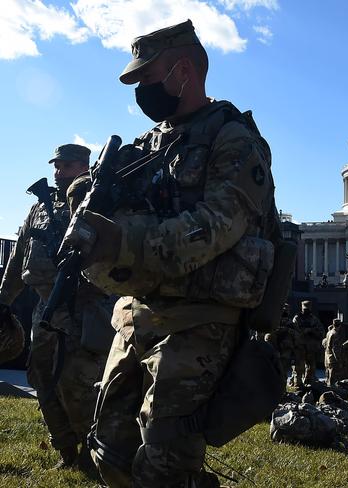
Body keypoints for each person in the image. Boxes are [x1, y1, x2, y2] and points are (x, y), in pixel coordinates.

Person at [63, 20, 279, 487]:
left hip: (199, 319)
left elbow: (215, 226)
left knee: (163, 462)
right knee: (109, 451)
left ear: (183, 71)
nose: (141, 90)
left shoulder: (234, 139)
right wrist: (85, 194)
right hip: (137, 312)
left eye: (147, 77)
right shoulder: (146, 146)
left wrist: (124, 241)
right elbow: (109, 202)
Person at [0, 144, 111, 473]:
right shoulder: (40, 207)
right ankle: (66, 449)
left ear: (83, 165)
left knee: (78, 382)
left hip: (84, 308)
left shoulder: (98, 199)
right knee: (42, 378)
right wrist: (4, 299)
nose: (58, 171)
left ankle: (95, 454)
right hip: (43, 307)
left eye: (65, 165)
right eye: (56, 165)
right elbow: (20, 253)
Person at [292, 300, 325, 386]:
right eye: (304, 309)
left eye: (307, 309)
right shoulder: (297, 318)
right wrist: (304, 332)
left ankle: (309, 383)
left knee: (311, 367)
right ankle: (298, 384)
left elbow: (321, 332)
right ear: (302, 308)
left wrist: (312, 331)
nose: (306, 311)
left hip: (311, 347)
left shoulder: (314, 319)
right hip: (300, 347)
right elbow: (293, 331)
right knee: (299, 367)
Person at [324, 319, 345, 386]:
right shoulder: (335, 334)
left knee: (328, 374)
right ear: (339, 325)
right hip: (333, 358)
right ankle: (331, 389)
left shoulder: (329, 332)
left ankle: (328, 388)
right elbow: (335, 348)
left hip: (327, 357)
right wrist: (339, 360)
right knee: (332, 377)